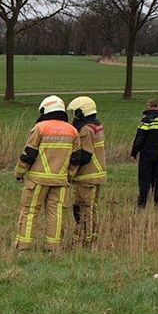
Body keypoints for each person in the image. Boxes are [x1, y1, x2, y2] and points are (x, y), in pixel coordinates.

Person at [12, 95, 81, 251]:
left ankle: (23, 247)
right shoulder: (72, 130)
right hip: (61, 181)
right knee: (55, 214)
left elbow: (29, 154)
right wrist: (69, 175)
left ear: (45, 110)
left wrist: (19, 172)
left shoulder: (40, 128)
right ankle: (52, 248)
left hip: (37, 180)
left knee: (29, 212)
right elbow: (76, 158)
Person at [67, 96, 107, 247]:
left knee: (84, 207)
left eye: (76, 113)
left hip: (87, 175)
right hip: (98, 173)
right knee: (92, 207)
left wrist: (71, 167)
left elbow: (85, 155)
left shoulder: (85, 129)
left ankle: (86, 239)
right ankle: (92, 235)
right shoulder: (97, 125)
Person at [131, 99, 158, 208]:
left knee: (144, 180)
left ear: (149, 107)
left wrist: (134, 153)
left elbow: (140, 137)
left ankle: (142, 204)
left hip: (147, 154)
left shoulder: (147, 120)